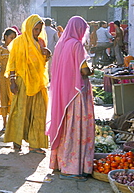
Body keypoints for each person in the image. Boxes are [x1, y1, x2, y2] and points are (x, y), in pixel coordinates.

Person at [47, 16, 94, 182]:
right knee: (76, 128)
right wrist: (91, 69)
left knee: (65, 126)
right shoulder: (77, 45)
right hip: (76, 94)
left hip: (63, 94)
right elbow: (84, 71)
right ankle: (73, 166)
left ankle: (60, 163)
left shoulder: (61, 44)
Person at [3, 14, 50, 154]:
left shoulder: (41, 41)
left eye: (39, 29)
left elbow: (43, 62)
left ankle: (35, 144)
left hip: (38, 82)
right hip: (23, 82)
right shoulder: (19, 42)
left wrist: (47, 54)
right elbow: (12, 64)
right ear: (29, 28)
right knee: (20, 111)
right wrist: (12, 82)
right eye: (35, 29)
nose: (37, 32)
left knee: (39, 112)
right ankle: (16, 141)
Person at [0, 28, 17, 133]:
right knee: (3, 98)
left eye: (14, 38)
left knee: (13, 99)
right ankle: (4, 124)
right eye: (11, 38)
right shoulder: (0, 50)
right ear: (5, 37)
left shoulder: (16, 50)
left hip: (13, 79)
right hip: (2, 78)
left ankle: (13, 123)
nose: (12, 40)